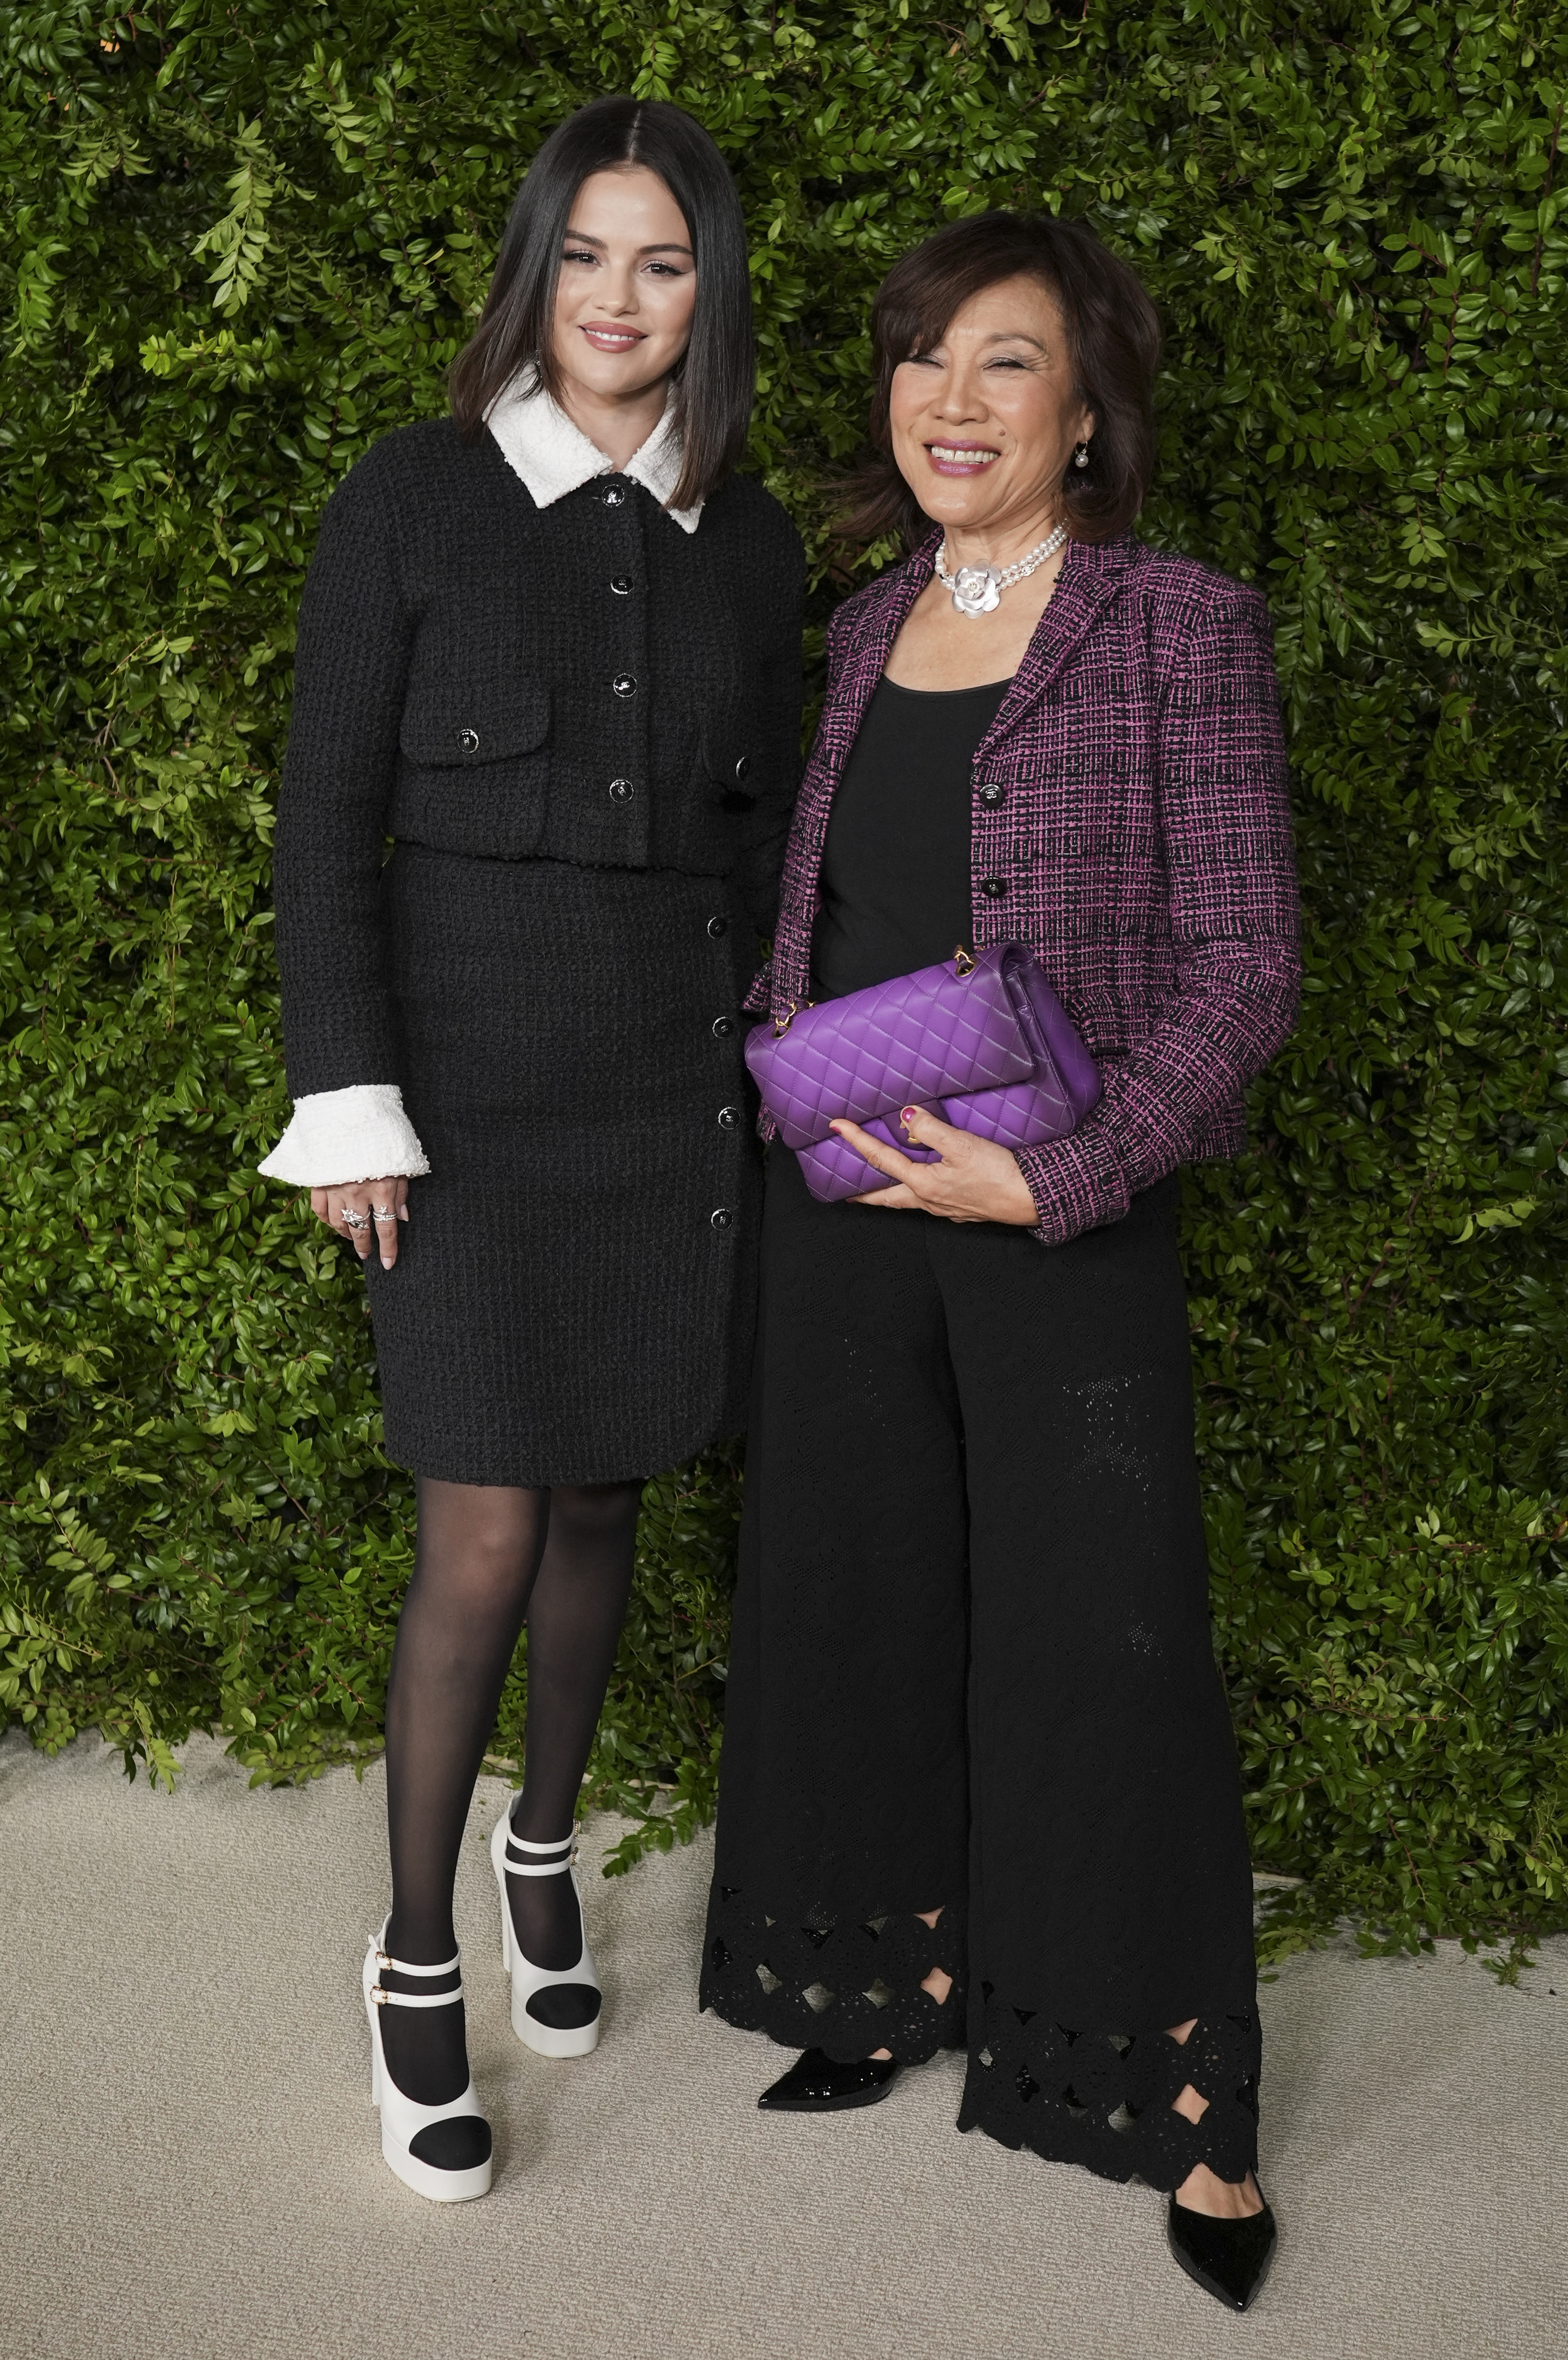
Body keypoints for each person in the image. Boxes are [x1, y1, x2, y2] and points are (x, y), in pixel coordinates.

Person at [699, 212, 1299, 2313]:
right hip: (845, 1205)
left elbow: (1241, 971)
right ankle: (882, 1975)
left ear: (1082, 407)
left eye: (1005, 365)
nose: (950, 403)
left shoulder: (1174, 625)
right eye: (922, 360)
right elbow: (830, 917)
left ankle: (1186, 2112)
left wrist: (1057, 1180)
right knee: (855, 1598)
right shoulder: (861, 627)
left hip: (1060, 1214)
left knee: (1104, 1647)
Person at [260, 96, 803, 2203]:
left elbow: (758, 843)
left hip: (663, 1084)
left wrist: (778, 1079)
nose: (617, 301)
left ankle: (545, 1834)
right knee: (479, 1525)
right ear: (532, 268)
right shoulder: (406, 496)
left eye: (662, 263)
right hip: (465, 1098)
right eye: (584, 256)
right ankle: (412, 1954)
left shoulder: (748, 535)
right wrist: (348, 1102)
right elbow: (323, 824)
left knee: (601, 1489)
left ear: (707, 289)